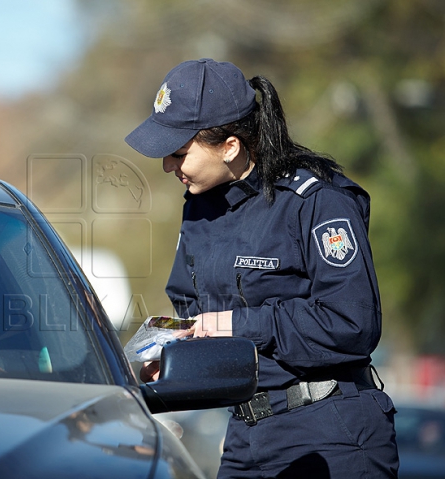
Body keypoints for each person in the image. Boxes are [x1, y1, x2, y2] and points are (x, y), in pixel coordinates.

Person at [125, 58, 398, 478]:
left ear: (230, 146)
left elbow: (353, 323)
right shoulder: (199, 209)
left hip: (330, 433)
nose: (167, 166)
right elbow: (195, 313)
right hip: (245, 434)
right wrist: (176, 354)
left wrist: (236, 324)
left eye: (179, 153)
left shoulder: (316, 202)